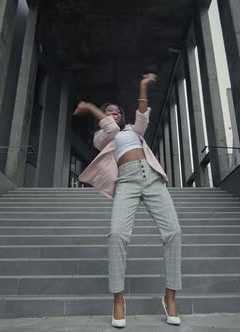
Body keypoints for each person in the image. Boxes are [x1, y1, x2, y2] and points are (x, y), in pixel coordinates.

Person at [72, 73, 182, 328]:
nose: (113, 114)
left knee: (174, 232)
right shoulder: (103, 138)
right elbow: (109, 128)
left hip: (152, 178)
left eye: (117, 111)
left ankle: (170, 296)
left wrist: (143, 86)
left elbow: (143, 115)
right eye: (108, 111)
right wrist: (90, 108)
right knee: (118, 235)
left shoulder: (134, 130)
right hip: (127, 182)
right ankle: (118, 299)